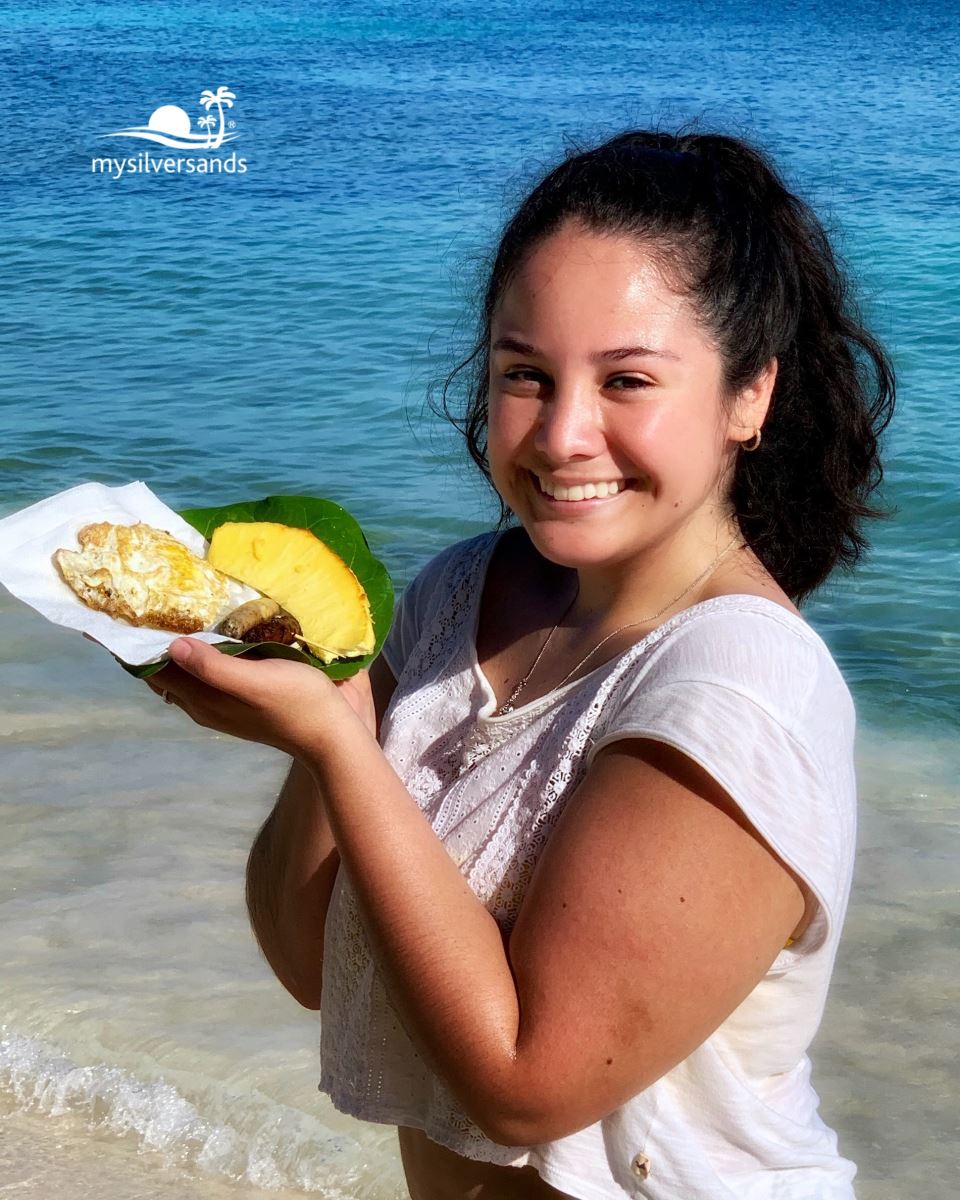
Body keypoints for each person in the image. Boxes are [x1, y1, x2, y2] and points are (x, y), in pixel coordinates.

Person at [150, 128, 894, 1199]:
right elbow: (308, 962)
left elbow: (528, 1087)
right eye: (525, 375)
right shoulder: (460, 594)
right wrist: (332, 711)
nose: (563, 435)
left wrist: (338, 746)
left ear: (749, 396)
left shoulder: (737, 685)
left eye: (628, 379)